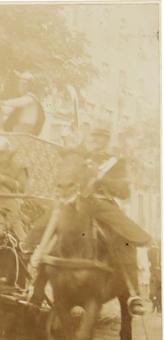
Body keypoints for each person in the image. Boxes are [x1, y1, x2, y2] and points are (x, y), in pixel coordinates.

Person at [27, 127, 152, 314]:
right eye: (94, 137)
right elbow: (62, 174)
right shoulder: (76, 156)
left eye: (102, 138)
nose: (97, 141)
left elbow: (124, 193)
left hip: (101, 203)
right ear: (88, 137)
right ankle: (32, 279)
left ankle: (133, 293)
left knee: (124, 239)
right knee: (44, 226)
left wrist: (102, 180)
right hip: (74, 200)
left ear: (107, 141)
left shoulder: (115, 163)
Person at [0, 136, 28, 246]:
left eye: (2, 153)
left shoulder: (19, 166)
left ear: (8, 152)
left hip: (12, 200)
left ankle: (24, 243)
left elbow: (22, 188)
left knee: (15, 220)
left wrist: (4, 180)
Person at [0, 71, 45, 136]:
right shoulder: (20, 101)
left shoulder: (31, 98)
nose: (21, 86)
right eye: (20, 84)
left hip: (26, 134)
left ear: (30, 86)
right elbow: (9, 111)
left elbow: (21, 102)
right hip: (17, 133)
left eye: (24, 84)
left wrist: (2, 102)